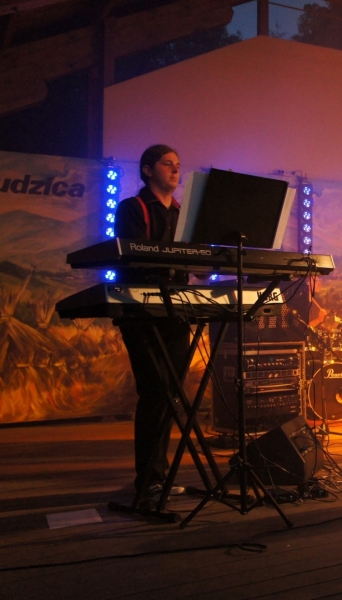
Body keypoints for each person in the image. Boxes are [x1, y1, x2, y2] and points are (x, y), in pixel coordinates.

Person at [114, 144, 189, 501]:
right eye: (167, 164)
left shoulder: (182, 213)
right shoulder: (133, 208)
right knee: (155, 390)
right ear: (147, 170)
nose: (175, 170)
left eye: (178, 165)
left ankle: (158, 476)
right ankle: (148, 480)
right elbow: (135, 258)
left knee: (171, 392)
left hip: (177, 311)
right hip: (143, 312)